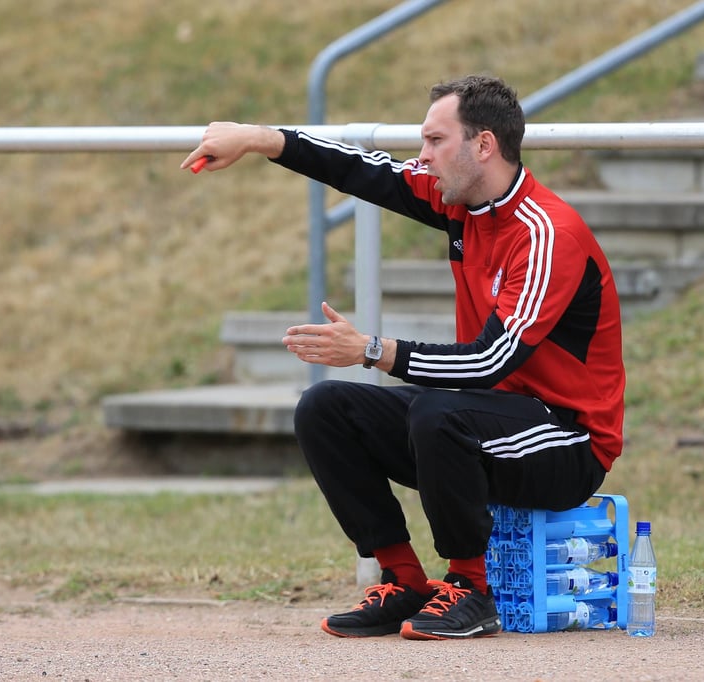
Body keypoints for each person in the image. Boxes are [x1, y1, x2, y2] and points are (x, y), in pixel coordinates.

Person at [182, 75, 625, 641]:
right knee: (324, 407)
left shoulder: (548, 233)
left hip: (567, 442)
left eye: (435, 141)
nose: (422, 156)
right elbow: (362, 170)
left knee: (437, 412)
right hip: (482, 426)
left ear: (482, 146)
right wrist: (259, 138)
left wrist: (372, 350)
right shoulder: (460, 204)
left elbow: (490, 361)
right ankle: (404, 579)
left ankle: (471, 588)